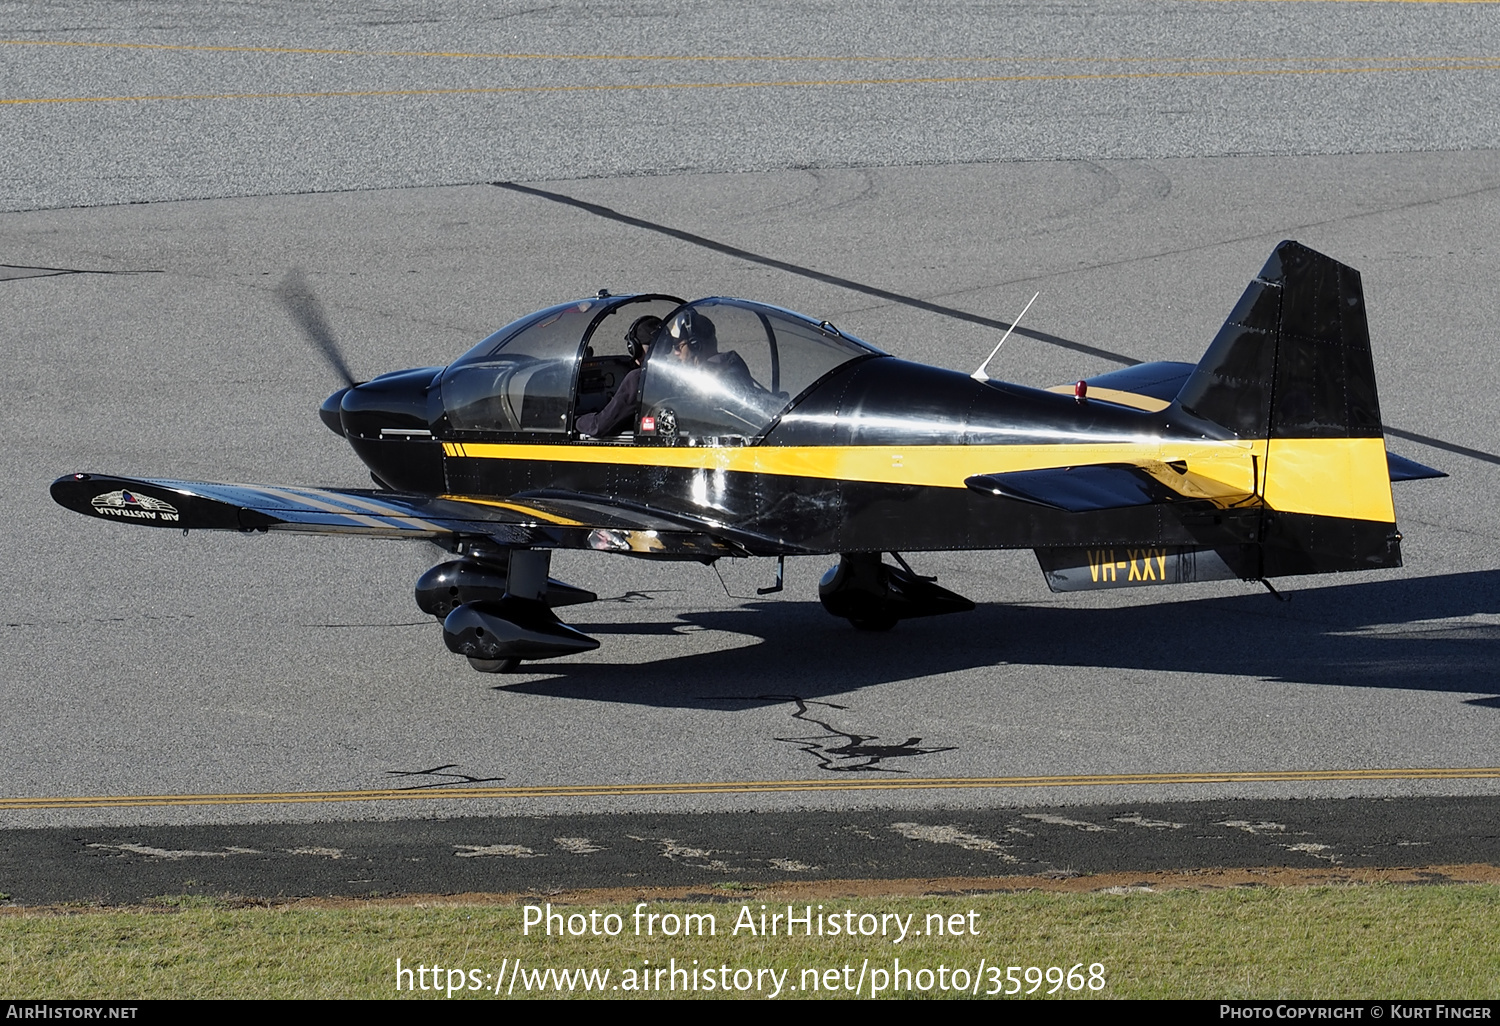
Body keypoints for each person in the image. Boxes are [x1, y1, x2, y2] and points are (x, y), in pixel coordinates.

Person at [575, 315, 662, 437]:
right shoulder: (678, 374)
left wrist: (576, 420)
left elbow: (599, 426)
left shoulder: (639, 379)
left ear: (634, 348)